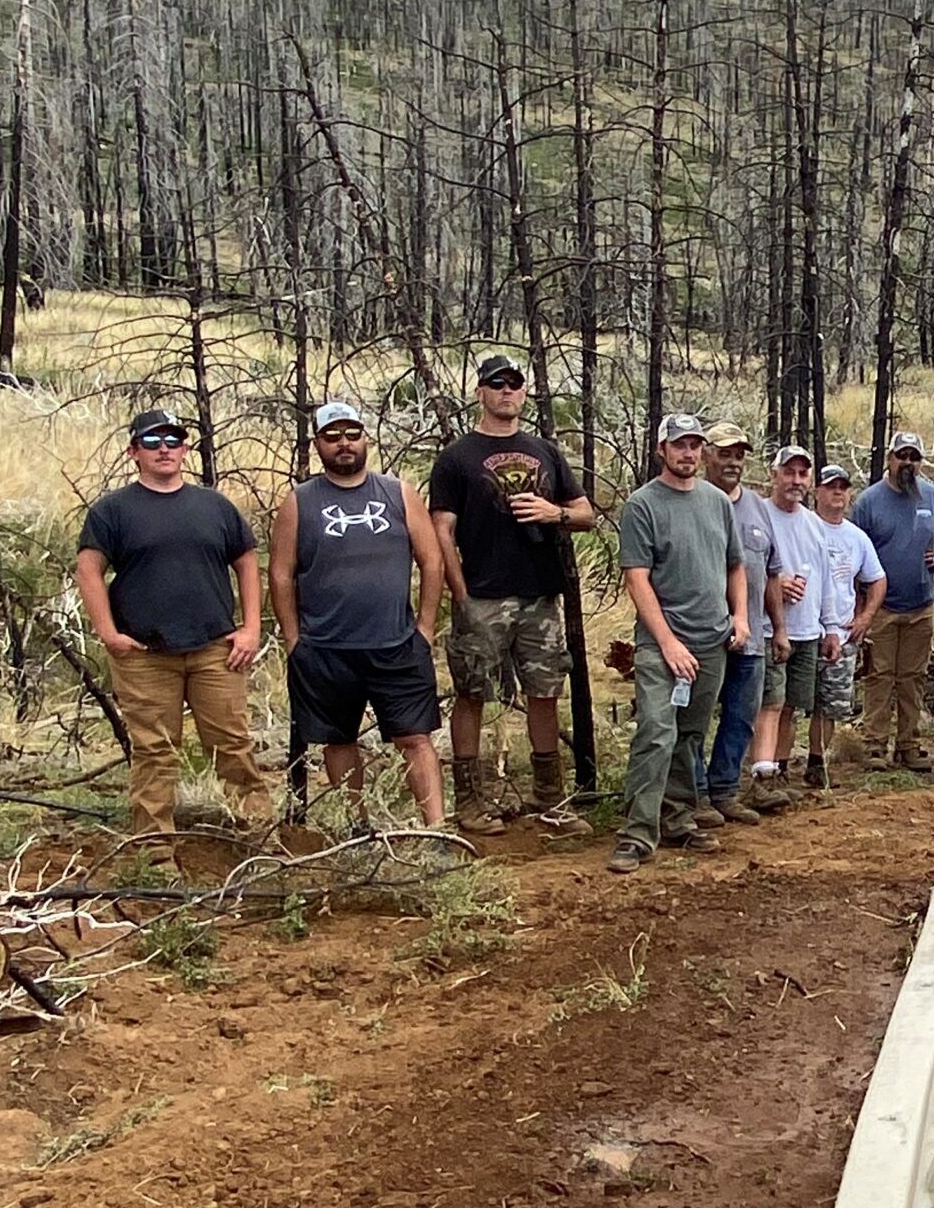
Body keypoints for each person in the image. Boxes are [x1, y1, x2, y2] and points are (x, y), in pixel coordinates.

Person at [76, 408, 273, 840]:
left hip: (216, 650)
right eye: (151, 442)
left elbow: (246, 561)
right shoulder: (113, 511)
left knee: (233, 748)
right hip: (144, 655)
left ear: (185, 450)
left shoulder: (214, 505)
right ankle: (155, 852)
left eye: (172, 440)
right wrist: (108, 634)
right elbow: (88, 569)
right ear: (134, 452)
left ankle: (260, 841)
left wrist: (251, 628)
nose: (163, 449)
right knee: (154, 753)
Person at [427, 353, 597, 835]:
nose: (507, 391)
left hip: (540, 595)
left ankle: (550, 799)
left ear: (524, 392)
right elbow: (442, 531)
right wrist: (461, 596)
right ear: (480, 392)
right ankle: (470, 801)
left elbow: (585, 513)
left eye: (515, 384)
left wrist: (552, 513)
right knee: (472, 694)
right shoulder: (457, 457)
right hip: (482, 595)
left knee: (544, 693)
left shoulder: (544, 450)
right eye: (496, 384)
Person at [269, 401, 446, 828]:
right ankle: (358, 826)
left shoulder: (398, 493)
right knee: (337, 739)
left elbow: (432, 561)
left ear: (365, 439)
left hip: (397, 645)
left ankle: (436, 829)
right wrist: (294, 639)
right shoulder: (300, 502)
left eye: (352, 434)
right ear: (319, 445)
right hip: (326, 649)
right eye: (333, 437)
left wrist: (424, 627)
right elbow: (280, 573)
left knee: (415, 738)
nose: (344, 444)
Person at [608, 411, 749, 874]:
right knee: (655, 732)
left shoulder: (716, 502)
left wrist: (740, 617)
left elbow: (734, 565)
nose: (688, 453)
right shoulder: (643, 505)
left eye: (694, 445)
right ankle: (637, 833)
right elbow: (637, 579)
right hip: (662, 644)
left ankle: (678, 818)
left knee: (690, 735)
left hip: (712, 640)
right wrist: (667, 642)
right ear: (661, 450)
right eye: (679, 445)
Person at [852, 430, 934, 770]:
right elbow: (852, 552)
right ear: (890, 459)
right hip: (880, 607)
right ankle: (874, 746)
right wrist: (858, 609)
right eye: (902, 456)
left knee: (912, 678)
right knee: (879, 677)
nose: (908, 462)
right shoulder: (869, 502)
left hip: (921, 605)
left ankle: (909, 745)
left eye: (914, 457)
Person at [698, 421, 782, 825]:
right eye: (724, 453)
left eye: (739, 454)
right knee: (693, 718)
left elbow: (771, 573)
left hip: (751, 636)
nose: (733, 462)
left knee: (740, 717)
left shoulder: (759, 509)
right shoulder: (691, 500)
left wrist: (778, 629)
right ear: (705, 454)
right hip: (701, 636)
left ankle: (725, 791)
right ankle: (694, 794)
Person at [748, 446, 830, 804]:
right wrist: (775, 584)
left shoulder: (814, 524)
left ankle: (779, 769)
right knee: (770, 702)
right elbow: (745, 566)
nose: (795, 480)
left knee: (792, 705)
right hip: (767, 628)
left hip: (807, 629)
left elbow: (825, 578)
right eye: (789, 472)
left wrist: (830, 626)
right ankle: (761, 772)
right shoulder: (758, 515)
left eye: (802, 474)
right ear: (774, 474)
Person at [806, 463, 886, 789]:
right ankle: (772, 767)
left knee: (830, 706)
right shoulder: (805, 527)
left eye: (843, 486)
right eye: (830, 486)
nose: (837, 492)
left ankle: (816, 763)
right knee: (784, 704)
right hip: (803, 631)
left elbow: (877, 579)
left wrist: (866, 617)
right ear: (817, 492)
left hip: (842, 634)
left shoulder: (856, 537)